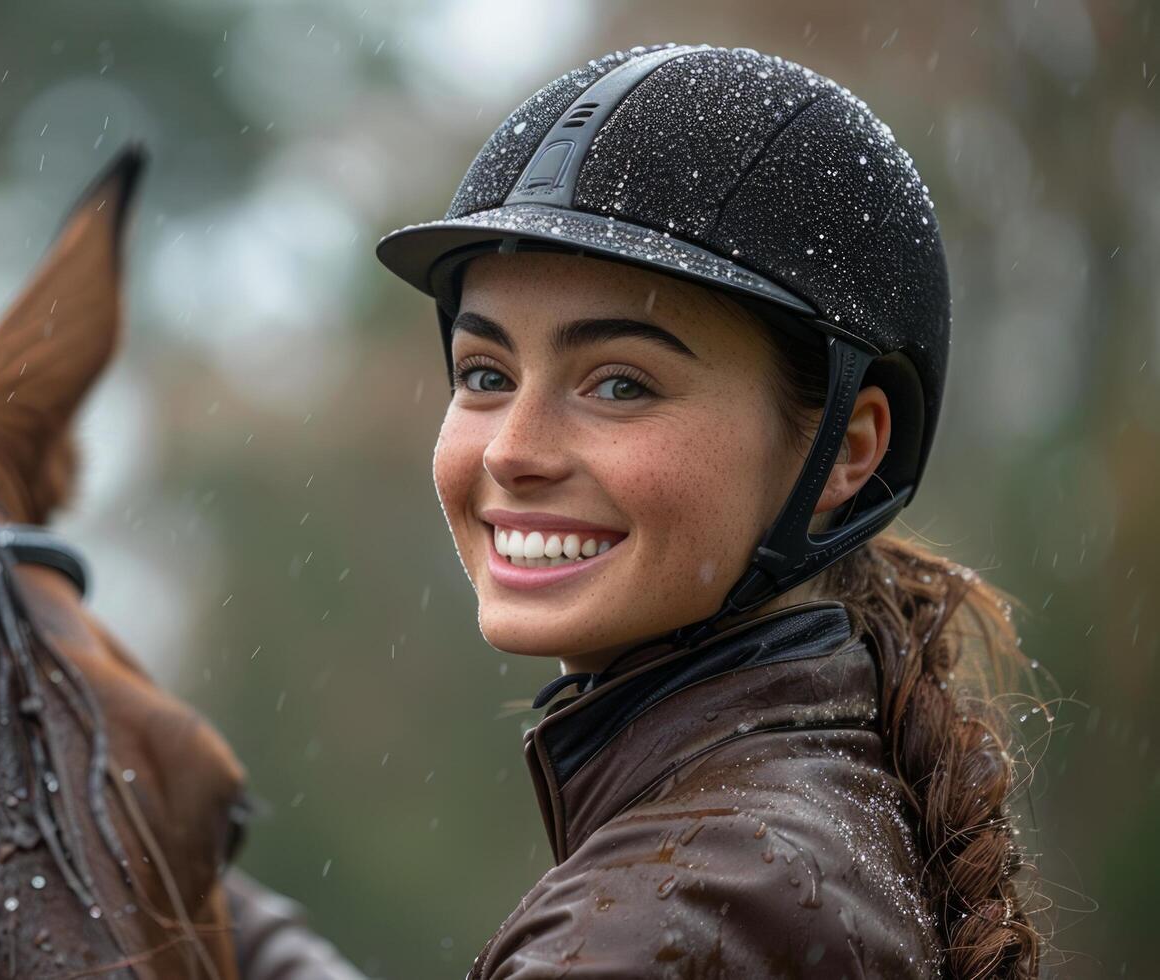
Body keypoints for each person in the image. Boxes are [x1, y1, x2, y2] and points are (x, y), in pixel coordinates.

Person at [376, 44, 1044, 978]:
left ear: (848, 449)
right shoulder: (789, 842)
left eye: (618, 384)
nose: (510, 451)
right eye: (485, 375)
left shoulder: (677, 920)